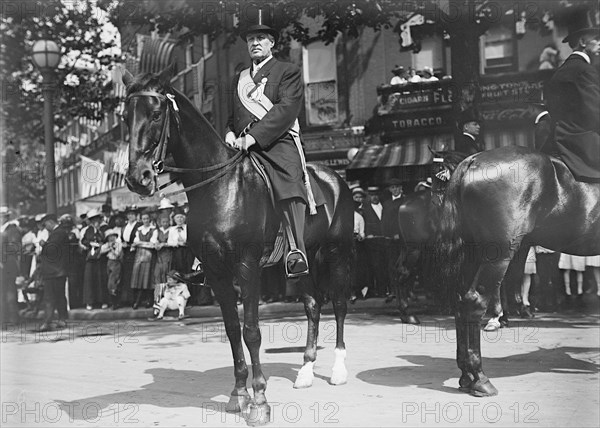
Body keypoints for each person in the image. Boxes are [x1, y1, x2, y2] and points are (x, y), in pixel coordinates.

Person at [224, 12, 324, 278]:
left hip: (277, 143)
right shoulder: (239, 78)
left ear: (272, 43)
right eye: (250, 39)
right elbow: (230, 117)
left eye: (260, 38)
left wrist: (252, 137)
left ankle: (295, 250)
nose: (254, 43)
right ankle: (211, 254)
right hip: (241, 146)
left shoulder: (287, 71)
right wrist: (229, 133)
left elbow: (285, 111)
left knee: (289, 181)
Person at [544, 9, 600, 182]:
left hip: (558, 140)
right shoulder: (585, 71)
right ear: (583, 42)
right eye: (596, 40)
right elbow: (596, 112)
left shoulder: (559, 72)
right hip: (582, 143)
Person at [38, 214, 70, 331]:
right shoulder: (58, 233)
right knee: (57, 296)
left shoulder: (58, 233)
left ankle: (50, 321)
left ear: (50, 222)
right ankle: (60, 319)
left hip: (55, 271)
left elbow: (52, 249)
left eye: (45, 224)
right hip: (56, 271)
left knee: (52, 297)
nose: (45, 227)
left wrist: (43, 245)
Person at [361, 186, 388, 298]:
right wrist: (368, 234)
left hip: (385, 240)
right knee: (375, 266)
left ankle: (385, 290)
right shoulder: (365, 210)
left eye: (376, 194)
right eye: (372, 195)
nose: (374, 197)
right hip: (372, 243)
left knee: (386, 266)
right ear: (369, 196)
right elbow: (364, 225)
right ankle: (377, 291)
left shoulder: (385, 207)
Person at [381, 178, 405, 303]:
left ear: (401, 188)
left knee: (403, 265)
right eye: (392, 187)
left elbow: (405, 221)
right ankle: (394, 291)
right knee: (391, 266)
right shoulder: (386, 203)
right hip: (389, 239)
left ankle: (405, 292)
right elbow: (384, 220)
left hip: (401, 239)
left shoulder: (405, 201)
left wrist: (399, 234)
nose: (395, 190)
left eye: (397, 187)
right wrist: (385, 234)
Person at [81, 209, 107, 310]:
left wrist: (100, 241)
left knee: (101, 279)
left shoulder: (104, 228)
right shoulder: (89, 230)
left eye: (96, 219)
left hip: (101, 256)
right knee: (89, 279)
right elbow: (84, 240)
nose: (94, 221)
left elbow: (108, 239)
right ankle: (90, 302)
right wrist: (90, 243)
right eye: (92, 220)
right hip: (91, 257)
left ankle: (103, 301)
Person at [131, 210, 155, 309]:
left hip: (149, 256)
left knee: (147, 278)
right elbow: (134, 242)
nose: (145, 220)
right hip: (139, 256)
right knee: (138, 278)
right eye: (143, 219)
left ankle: (149, 300)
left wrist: (140, 243)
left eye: (147, 219)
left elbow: (152, 244)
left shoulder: (153, 229)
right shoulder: (139, 229)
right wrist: (144, 243)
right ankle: (138, 300)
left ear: (150, 219)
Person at [120, 205, 140, 306]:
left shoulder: (138, 225)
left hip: (135, 252)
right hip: (126, 253)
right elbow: (122, 238)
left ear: (136, 215)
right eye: (129, 214)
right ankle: (127, 299)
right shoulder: (125, 227)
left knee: (134, 275)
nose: (131, 216)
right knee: (127, 275)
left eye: (133, 214)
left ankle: (135, 299)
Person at [101, 228, 123, 310]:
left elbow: (117, 254)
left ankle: (115, 303)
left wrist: (111, 249)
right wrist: (108, 247)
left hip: (116, 263)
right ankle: (113, 302)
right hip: (109, 262)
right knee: (109, 283)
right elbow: (101, 251)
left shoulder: (118, 244)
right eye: (109, 237)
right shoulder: (107, 244)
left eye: (113, 236)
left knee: (114, 283)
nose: (111, 238)